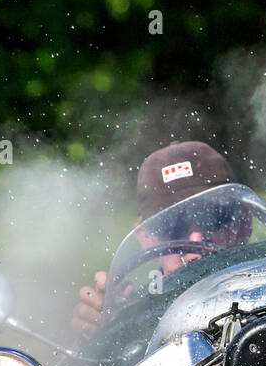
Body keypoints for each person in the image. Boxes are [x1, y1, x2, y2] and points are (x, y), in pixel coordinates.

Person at [72, 140, 242, 337]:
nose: (196, 241)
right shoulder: (131, 316)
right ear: (146, 239)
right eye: (173, 225)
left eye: (213, 217)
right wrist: (102, 336)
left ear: (244, 222)